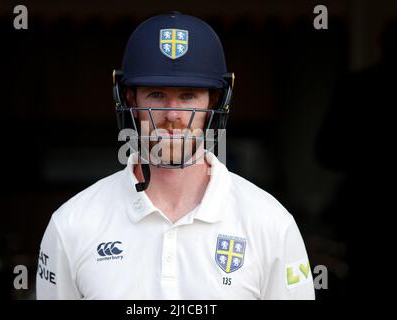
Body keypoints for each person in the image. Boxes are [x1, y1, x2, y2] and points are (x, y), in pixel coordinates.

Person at [36, 12, 315, 300]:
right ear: (130, 99)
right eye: (156, 94)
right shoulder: (72, 224)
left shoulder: (270, 224)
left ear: (215, 101)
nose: (172, 115)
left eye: (188, 95)